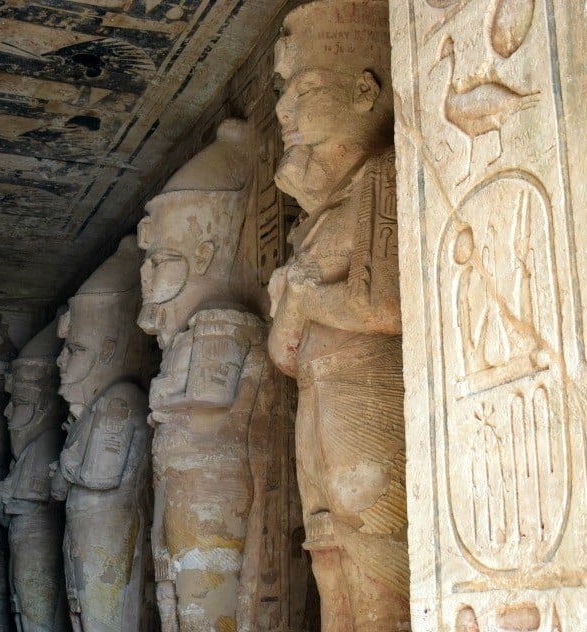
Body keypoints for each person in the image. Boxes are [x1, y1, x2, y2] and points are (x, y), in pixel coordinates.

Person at [267, 3, 409, 630]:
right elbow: (283, 353)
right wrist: (294, 304)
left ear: (362, 91)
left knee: (372, 547)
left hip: (369, 393)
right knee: (326, 553)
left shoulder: (382, 180)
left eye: (303, 90)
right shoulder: (315, 222)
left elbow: (385, 307)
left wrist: (302, 297)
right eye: (283, 94)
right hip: (318, 402)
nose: (283, 112)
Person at [138, 119, 274, 631]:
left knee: (203, 606)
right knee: (172, 599)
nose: (149, 279)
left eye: (163, 261)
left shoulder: (222, 324)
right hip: (181, 483)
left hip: (211, 490)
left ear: (205, 255)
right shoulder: (187, 336)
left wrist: (162, 395)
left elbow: (210, 399)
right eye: (147, 265)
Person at [50, 236, 152, 632]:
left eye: (74, 350)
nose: (60, 362)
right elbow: (62, 485)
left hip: (106, 530)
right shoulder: (93, 410)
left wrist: (68, 466)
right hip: (89, 529)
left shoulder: (119, 402)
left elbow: (99, 477)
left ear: (107, 350)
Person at [0, 317, 69, 632]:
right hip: (25, 543)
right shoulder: (31, 451)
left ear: (45, 406)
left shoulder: (45, 445)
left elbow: (31, 502)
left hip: (38, 544)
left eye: (21, 403)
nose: (9, 413)